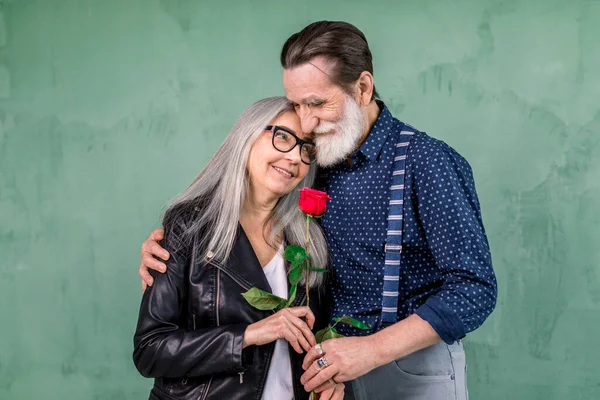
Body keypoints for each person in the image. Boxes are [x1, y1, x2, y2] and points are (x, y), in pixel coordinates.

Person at [139, 21, 498, 400]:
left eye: (316, 103)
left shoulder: (427, 162)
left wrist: (371, 350)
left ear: (362, 87)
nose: (306, 123)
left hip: (407, 369)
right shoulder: (310, 160)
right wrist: (174, 251)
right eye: (296, 104)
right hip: (323, 374)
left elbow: (474, 289)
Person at [133, 97, 345, 400]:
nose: (295, 157)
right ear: (247, 136)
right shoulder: (190, 226)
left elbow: (315, 339)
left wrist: (328, 376)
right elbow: (149, 350)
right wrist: (249, 334)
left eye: (306, 147)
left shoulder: (308, 239)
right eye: (282, 137)